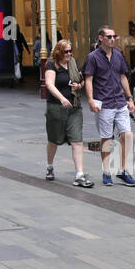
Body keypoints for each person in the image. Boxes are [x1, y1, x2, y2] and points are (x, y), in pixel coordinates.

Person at [84, 24, 135, 186]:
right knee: (106, 138)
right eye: (109, 37)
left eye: (115, 36)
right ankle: (106, 171)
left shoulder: (119, 55)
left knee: (127, 134)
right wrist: (91, 100)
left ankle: (122, 170)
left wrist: (129, 98)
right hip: (104, 103)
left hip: (119, 101)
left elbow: (123, 77)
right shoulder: (93, 57)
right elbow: (88, 79)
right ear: (101, 38)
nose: (113, 39)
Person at [42, 40, 91, 186]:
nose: (69, 54)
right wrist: (62, 98)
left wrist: (78, 85)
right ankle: (50, 166)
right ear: (58, 52)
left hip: (74, 107)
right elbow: (49, 84)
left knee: (77, 141)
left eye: (70, 51)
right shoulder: (52, 64)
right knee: (54, 140)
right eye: (66, 52)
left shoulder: (73, 63)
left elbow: (81, 81)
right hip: (56, 108)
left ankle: (79, 175)